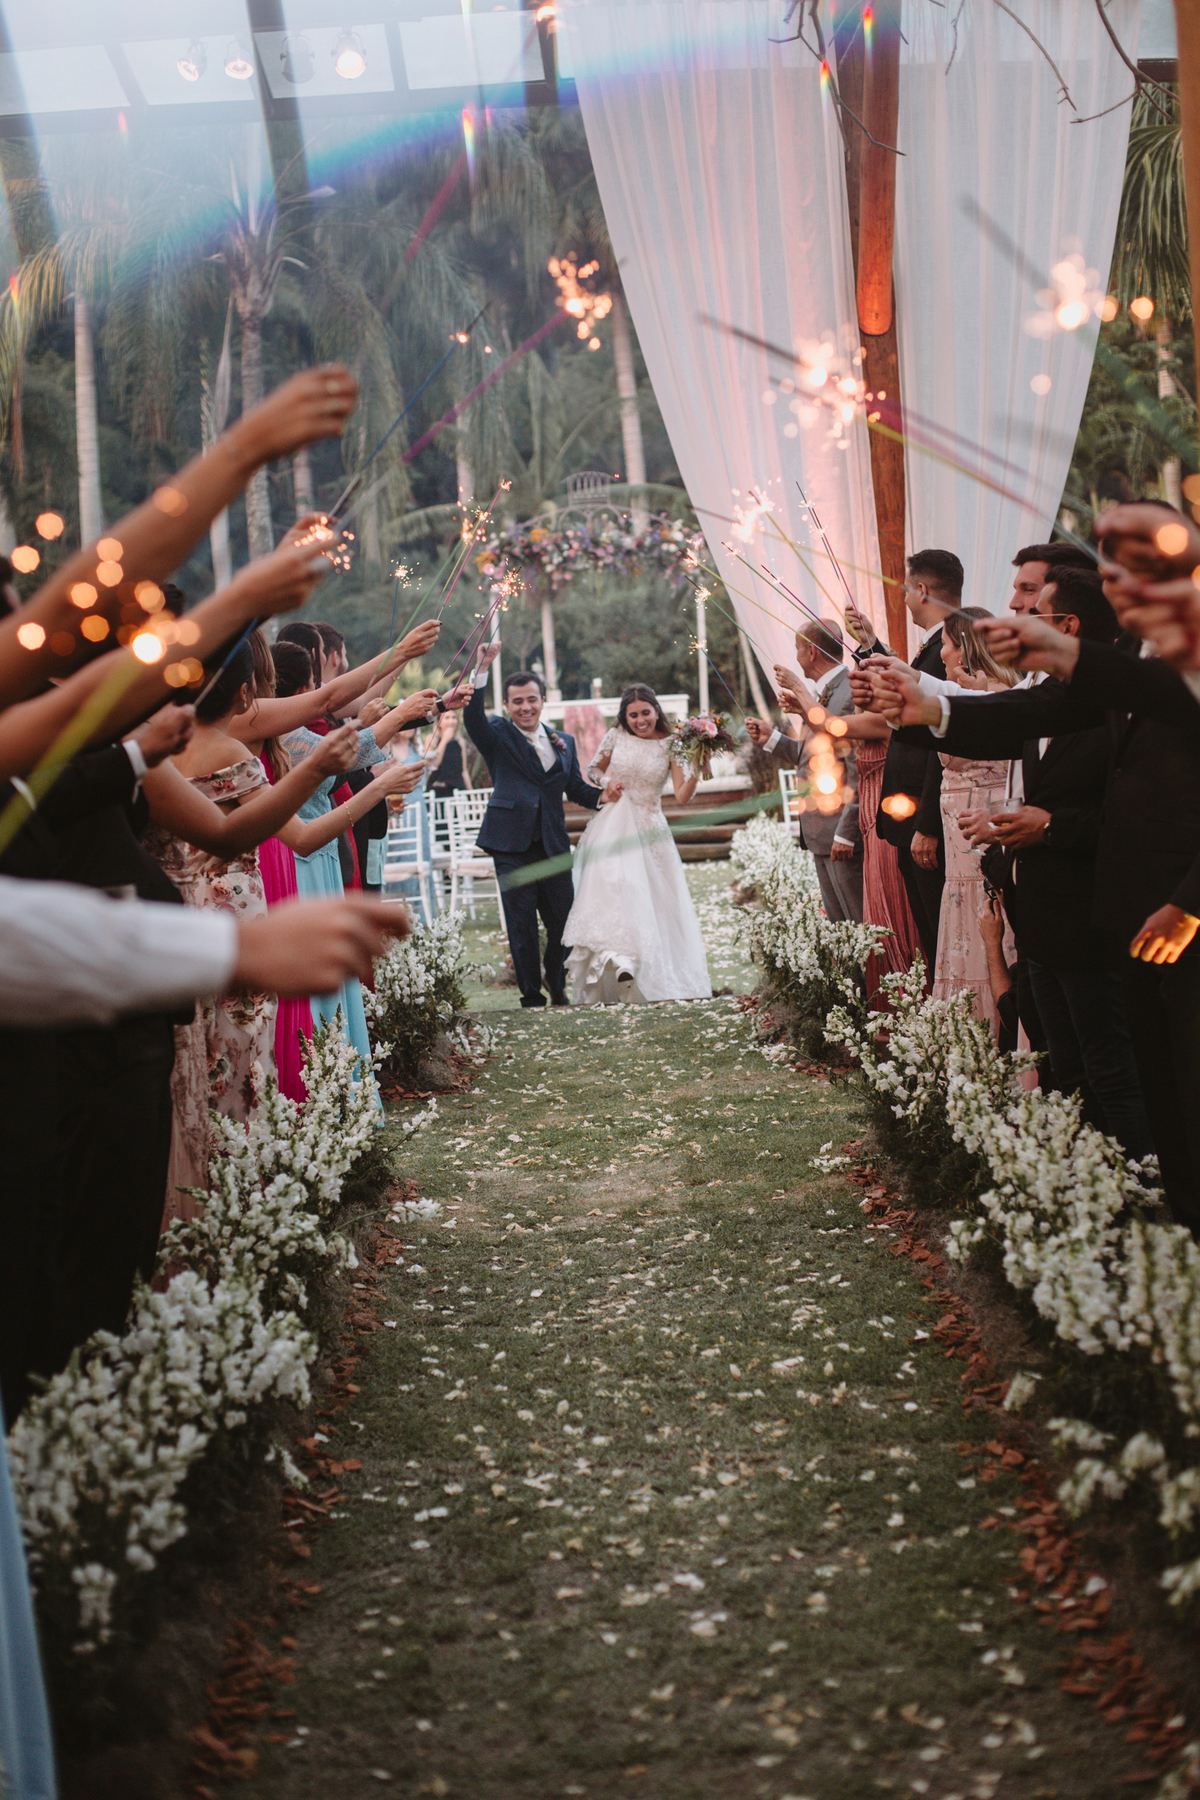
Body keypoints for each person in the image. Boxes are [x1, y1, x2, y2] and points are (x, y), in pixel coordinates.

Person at [876, 591, 1200, 1230]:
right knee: (1154, 1087)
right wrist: (932, 708)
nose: (1015, 605)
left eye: (1031, 598)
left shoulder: (1163, 661)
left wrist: (1187, 903)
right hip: (1121, 914)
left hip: (1169, 910)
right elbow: (1032, 710)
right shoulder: (1119, 665)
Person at [465, 644, 604, 1008]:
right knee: (522, 922)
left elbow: (575, 788)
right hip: (510, 844)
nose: (525, 707)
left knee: (564, 920)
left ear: (543, 700)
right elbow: (473, 719)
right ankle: (531, 995)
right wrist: (482, 667)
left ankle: (555, 980)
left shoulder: (564, 742)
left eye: (531, 699)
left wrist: (606, 797)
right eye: (517, 702)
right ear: (506, 705)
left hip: (553, 842)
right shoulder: (498, 735)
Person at [563, 684, 712, 1005]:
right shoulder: (616, 735)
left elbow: (682, 795)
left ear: (656, 711)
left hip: (649, 828)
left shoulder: (672, 745)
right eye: (633, 715)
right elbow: (593, 769)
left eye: (645, 713)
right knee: (614, 889)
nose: (640, 720)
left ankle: (643, 970)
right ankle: (618, 960)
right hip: (614, 824)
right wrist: (607, 782)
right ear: (624, 717)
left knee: (650, 899)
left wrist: (698, 769)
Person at [871, 550, 964, 969]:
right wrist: (870, 646)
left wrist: (926, 824)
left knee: (941, 932)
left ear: (922, 590)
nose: (905, 598)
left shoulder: (951, 649)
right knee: (932, 933)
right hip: (912, 816)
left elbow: (939, 746)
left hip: (928, 821)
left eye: (907, 589)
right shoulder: (934, 646)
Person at [745, 619, 863, 922]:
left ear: (811, 652)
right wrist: (771, 738)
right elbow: (812, 757)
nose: (796, 656)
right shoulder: (818, 696)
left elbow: (857, 768)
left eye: (798, 648)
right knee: (839, 926)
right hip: (819, 833)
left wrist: (847, 832)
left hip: (840, 832)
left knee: (858, 922)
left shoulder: (849, 692)